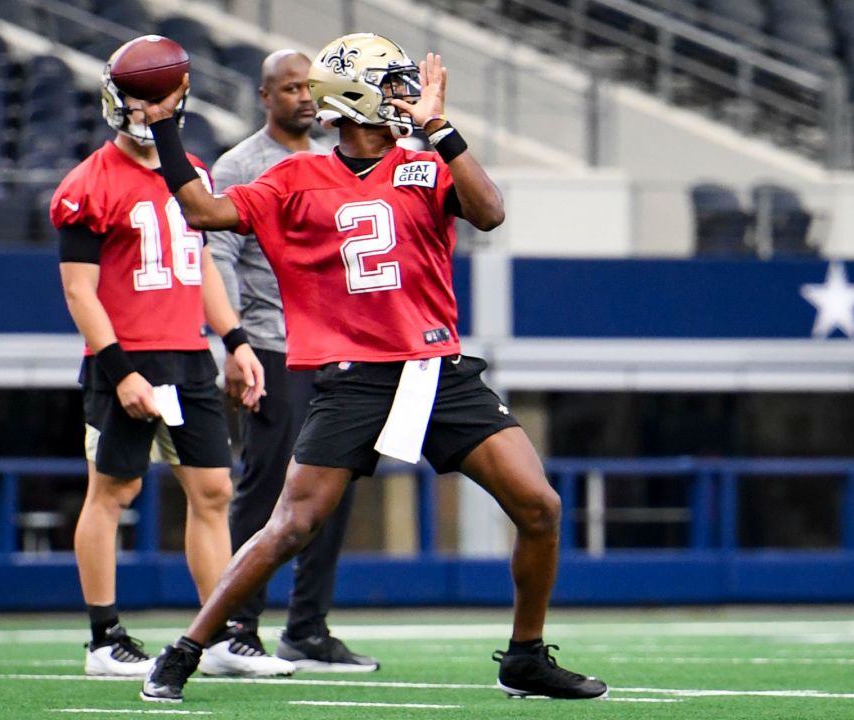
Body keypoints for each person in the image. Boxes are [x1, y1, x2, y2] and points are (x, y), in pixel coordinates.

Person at [138, 33, 610, 702]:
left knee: (539, 506)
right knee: (292, 526)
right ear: (354, 95)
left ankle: (525, 656)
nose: (404, 96)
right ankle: (186, 648)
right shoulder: (293, 177)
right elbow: (202, 210)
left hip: (436, 368)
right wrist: (166, 135)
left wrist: (441, 128)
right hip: (354, 375)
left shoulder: (424, 164)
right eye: (390, 85)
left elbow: (491, 211)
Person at [52, 36, 288, 679]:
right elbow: (79, 290)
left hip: (189, 357)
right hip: (128, 355)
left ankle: (215, 638)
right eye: (137, 96)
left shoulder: (195, 176)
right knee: (114, 490)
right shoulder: (88, 183)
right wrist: (120, 368)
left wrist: (235, 341)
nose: (146, 109)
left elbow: (203, 268)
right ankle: (104, 639)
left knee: (213, 491)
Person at [198, 49, 378, 677]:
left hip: (337, 347)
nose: (305, 97)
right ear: (264, 95)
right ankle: (236, 627)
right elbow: (216, 257)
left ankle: (307, 629)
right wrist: (235, 341)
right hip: (273, 344)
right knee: (265, 486)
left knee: (334, 489)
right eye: (291, 87)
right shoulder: (241, 164)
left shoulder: (337, 155)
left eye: (311, 87)